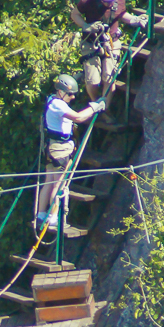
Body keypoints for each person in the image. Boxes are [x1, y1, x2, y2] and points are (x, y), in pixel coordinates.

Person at [39, 74, 106, 229]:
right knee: (59, 184)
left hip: (52, 148)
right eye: (70, 94)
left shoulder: (52, 99)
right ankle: (53, 217)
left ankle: (41, 214)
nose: (72, 97)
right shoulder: (59, 105)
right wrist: (94, 107)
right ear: (61, 92)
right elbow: (78, 118)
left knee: (49, 181)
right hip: (61, 150)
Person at [70, 0, 148, 103]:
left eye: (111, 1)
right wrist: (86, 26)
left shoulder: (120, 1)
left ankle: (105, 106)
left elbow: (122, 15)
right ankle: (96, 104)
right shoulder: (88, 1)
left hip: (111, 42)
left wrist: (135, 20)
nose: (108, 4)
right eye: (105, 1)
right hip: (91, 42)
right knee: (93, 80)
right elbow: (75, 14)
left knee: (109, 76)